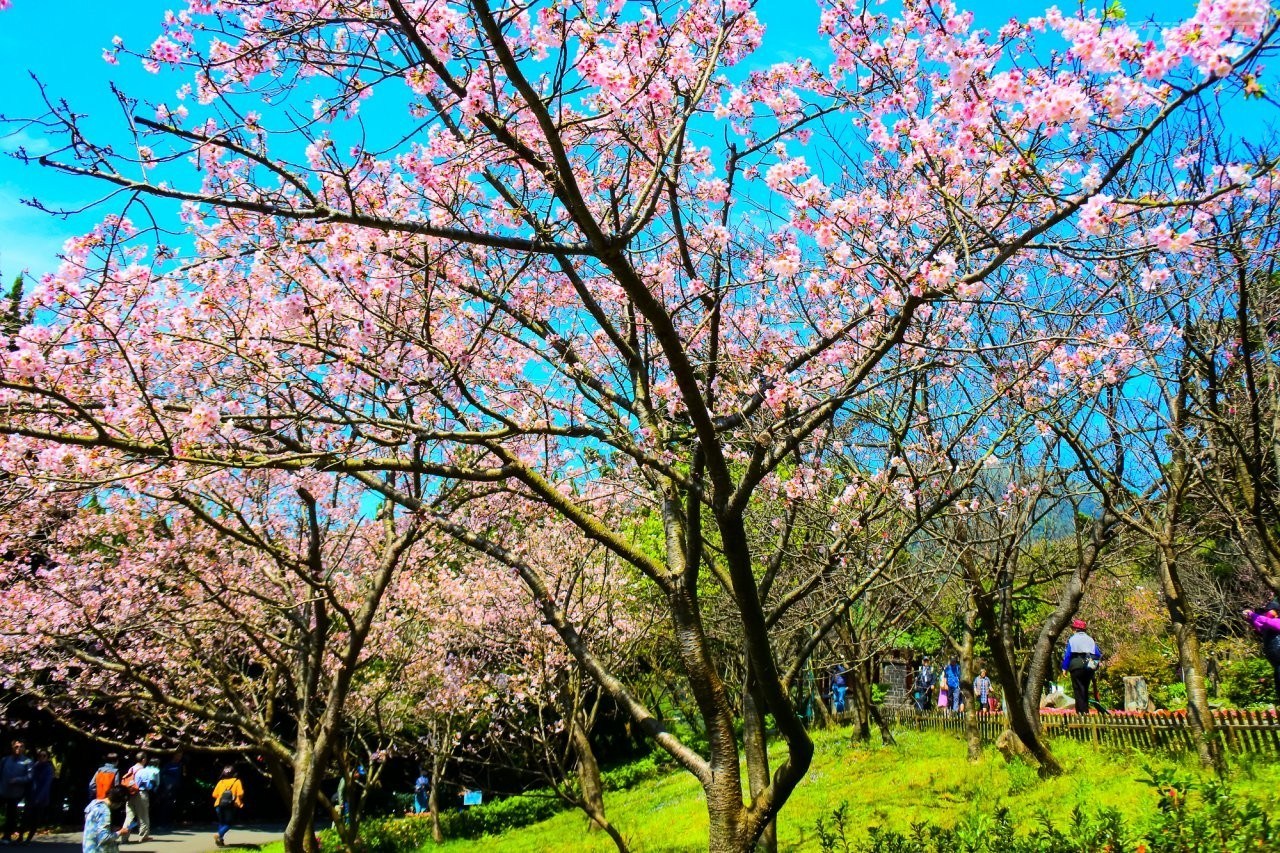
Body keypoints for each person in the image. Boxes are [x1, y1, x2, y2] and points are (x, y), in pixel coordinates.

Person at [1061, 618, 1103, 714]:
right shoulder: (1090, 639)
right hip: (1089, 667)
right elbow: (1097, 654)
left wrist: (1064, 668)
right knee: (1085, 688)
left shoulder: (1072, 639)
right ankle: (1085, 711)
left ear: (1075, 629)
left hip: (1076, 666)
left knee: (1078, 689)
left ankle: (1081, 712)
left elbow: (1068, 655)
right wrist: (1094, 666)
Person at [1243, 600, 1280, 700]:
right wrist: (1249, 619)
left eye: (1269, 610)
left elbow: (1265, 621)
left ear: (1277, 612)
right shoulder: (1267, 627)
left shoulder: (1277, 622)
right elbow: (1259, 624)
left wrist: (1253, 615)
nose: (1266, 612)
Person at [0, 740, 32, 844]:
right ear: (12, 747)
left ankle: (7, 836)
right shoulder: (5, 760)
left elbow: (30, 777)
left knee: (11, 815)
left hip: (15, 793)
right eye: (16, 746)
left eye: (21, 746)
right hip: (2, 790)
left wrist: (18, 780)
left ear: (24, 748)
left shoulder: (27, 761)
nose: (18, 748)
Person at [122, 754, 157, 842]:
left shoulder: (131, 769)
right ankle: (144, 836)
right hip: (140, 794)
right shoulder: (143, 771)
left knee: (129, 817)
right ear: (143, 759)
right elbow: (148, 786)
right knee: (143, 816)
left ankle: (124, 837)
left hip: (130, 794)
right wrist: (153, 783)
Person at [21, 750, 54, 843]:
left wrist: (39, 798)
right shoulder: (34, 766)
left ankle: (28, 838)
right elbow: (29, 779)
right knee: (25, 817)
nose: (41, 758)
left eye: (44, 756)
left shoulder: (48, 769)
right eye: (40, 756)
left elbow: (46, 785)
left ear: (47, 758)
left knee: (35, 819)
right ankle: (20, 836)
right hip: (31, 796)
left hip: (41, 798)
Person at [84, 786, 128, 853]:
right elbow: (103, 838)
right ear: (119, 802)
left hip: (88, 848)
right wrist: (119, 832)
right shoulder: (105, 811)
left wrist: (110, 828)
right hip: (98, 849)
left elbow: (94, 826)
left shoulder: (94, 804)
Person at [210, 766, 243, 848]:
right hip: (230, 805)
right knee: (229, 823)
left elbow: (214, 794)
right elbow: (240, 793)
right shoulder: (237, 781)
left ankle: (220, 841)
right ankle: (219, 834)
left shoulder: (221, 782)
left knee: (222, 823)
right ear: (233, 773)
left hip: (219, 805)